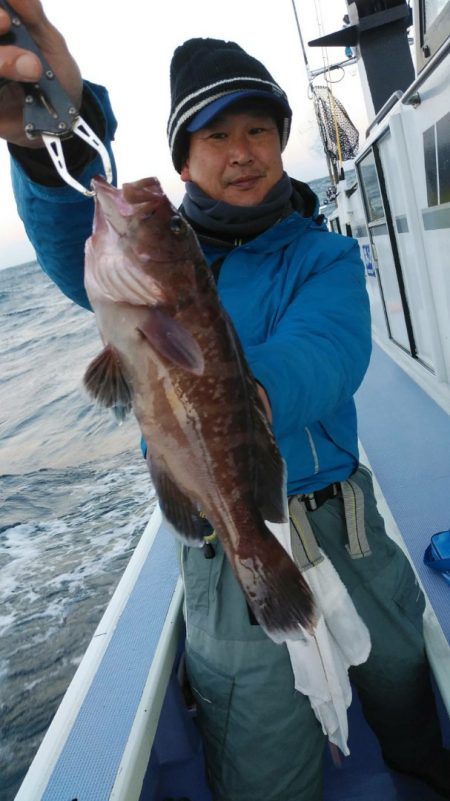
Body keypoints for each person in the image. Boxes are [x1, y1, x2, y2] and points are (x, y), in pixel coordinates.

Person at [1, 4, 449, 800]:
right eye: (215, 136)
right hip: (221, 547)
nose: (241, 153)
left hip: (346, 524)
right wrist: (47, 145)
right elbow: (78, 227)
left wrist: (239, 396)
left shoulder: (327, 253)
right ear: (183, 158)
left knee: (408, 686)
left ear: (280, 142)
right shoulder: (150, 261)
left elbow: (331, 351)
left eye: (259, 130)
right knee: (260, 745)